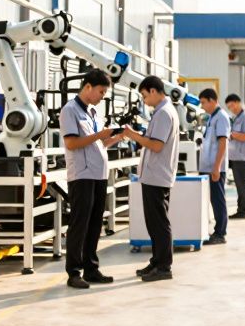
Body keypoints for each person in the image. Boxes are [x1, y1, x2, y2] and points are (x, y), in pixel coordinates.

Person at [60, 69, 138, 289]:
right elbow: (72, 143)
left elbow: (98, 144)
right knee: (80, 224)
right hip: (82, 175)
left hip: (98, 174)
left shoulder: (93, 112)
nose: (103, 96)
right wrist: (99, 135)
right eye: (101, 91)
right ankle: (74, 272)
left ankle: (91, 268)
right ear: (88, 87)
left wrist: (117, 137)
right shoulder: (70, 111)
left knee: (95, 224)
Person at [129, 75, 180, 282]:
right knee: (154, 221)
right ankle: (157, 261)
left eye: (144, 95)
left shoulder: (164, 114)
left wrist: (132, 135)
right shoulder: (162, 112)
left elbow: (156, 145)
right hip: (155, 175)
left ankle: (164, 266)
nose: (144, 100)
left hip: (157, 176)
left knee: (159, 222)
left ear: (152, 91)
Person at [198, 88, 230, 245]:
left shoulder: (221, 117)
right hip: (208, 166)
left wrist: (217, 167)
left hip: (215, 167)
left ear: (212, 100)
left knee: (218, 200)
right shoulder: (212, 117)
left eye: (204, 102)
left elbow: (223, 142)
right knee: (213, 199)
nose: (202, 106)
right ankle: (217, 230)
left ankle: (220, 233)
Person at [224, 93, 245, 219]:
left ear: (237, 102)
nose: (231, 108)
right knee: (238, 184)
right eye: (229, 107)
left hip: (241, 157)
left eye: (232, 105)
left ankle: (243, 211)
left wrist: (232, 134)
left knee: (242, 185)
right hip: (234, 156)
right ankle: (240, 209)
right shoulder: (236, 117)